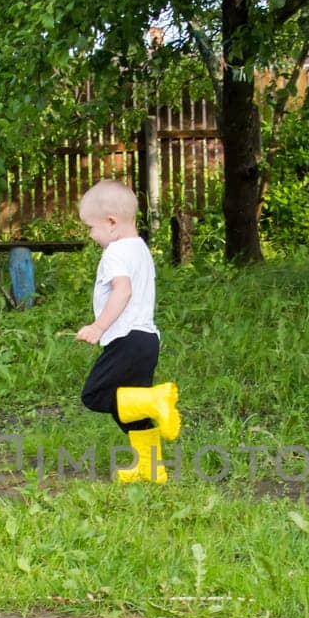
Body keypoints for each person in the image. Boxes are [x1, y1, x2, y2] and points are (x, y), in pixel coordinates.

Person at [74, 180, 181, 483]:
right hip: (146, 341)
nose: (91, 235)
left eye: (91, 228)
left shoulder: (115, 253)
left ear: (111, 223)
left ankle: (155, 400)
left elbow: (123, 291)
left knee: (95, 395)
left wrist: (98, 326)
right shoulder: (140, 249)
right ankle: (151, 468)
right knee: (128, 410)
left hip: (127, 340)